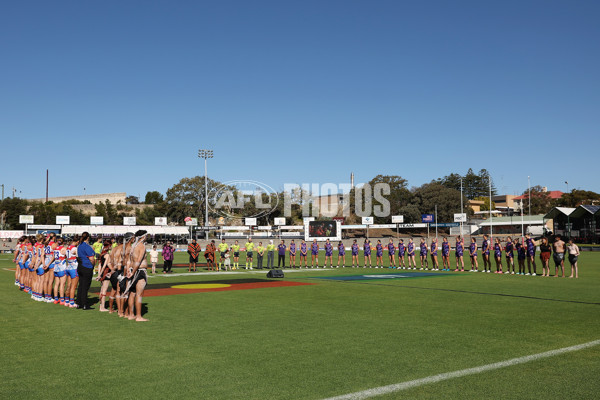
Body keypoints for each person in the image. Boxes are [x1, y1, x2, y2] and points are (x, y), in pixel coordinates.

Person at [123, 230, 149, 322]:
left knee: (132, 293)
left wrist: (129, 271)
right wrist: (133, 272)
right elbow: (138, 261)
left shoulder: (133, 246)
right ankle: (138, 316)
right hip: (139, 271)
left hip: (132, 270)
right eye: (146, 236)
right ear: (143, 236)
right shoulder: (141, 246)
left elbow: (129, 261)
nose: (146, 237)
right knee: (139, 294)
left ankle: (131, 314)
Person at [76, 232, 96, 310]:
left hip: (80, 266)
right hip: (86, 266)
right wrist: (93, 265)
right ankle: (84, 304)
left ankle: (79, 302)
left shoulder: (79, 246)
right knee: (85, 286)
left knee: (81, 285)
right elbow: (91, 258)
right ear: (88, 238)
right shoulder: (86, 246)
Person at [52, 237, 68, 304]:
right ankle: (62, 300)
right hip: (62, 267)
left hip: (56, 267)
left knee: (56, 284)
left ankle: (56, 299)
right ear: (63, 242)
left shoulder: (55, 249)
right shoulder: (64, 249)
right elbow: (68, 256)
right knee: (62, 284)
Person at [65, 236, 79, 308]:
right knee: (74, 286)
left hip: (68, 267)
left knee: (69, 285)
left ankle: (67, 301)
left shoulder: (67, 247)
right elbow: (78, 256)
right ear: (77, 242)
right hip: (74, 268)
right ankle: (72, 302)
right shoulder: (74, 248)